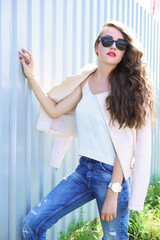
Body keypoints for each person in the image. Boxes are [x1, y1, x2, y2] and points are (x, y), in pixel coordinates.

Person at [19, 21, 155, 240]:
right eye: (108, 41)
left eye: (120, 45)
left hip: (111, 175)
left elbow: (125, 145)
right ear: (96, 47)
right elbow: (54, 110)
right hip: (84, 171)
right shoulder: (85, 82)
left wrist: (114, 190)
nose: (114, 47)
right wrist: (31, 77)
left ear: (124, 53)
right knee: (32, 224)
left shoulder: (126, 90)